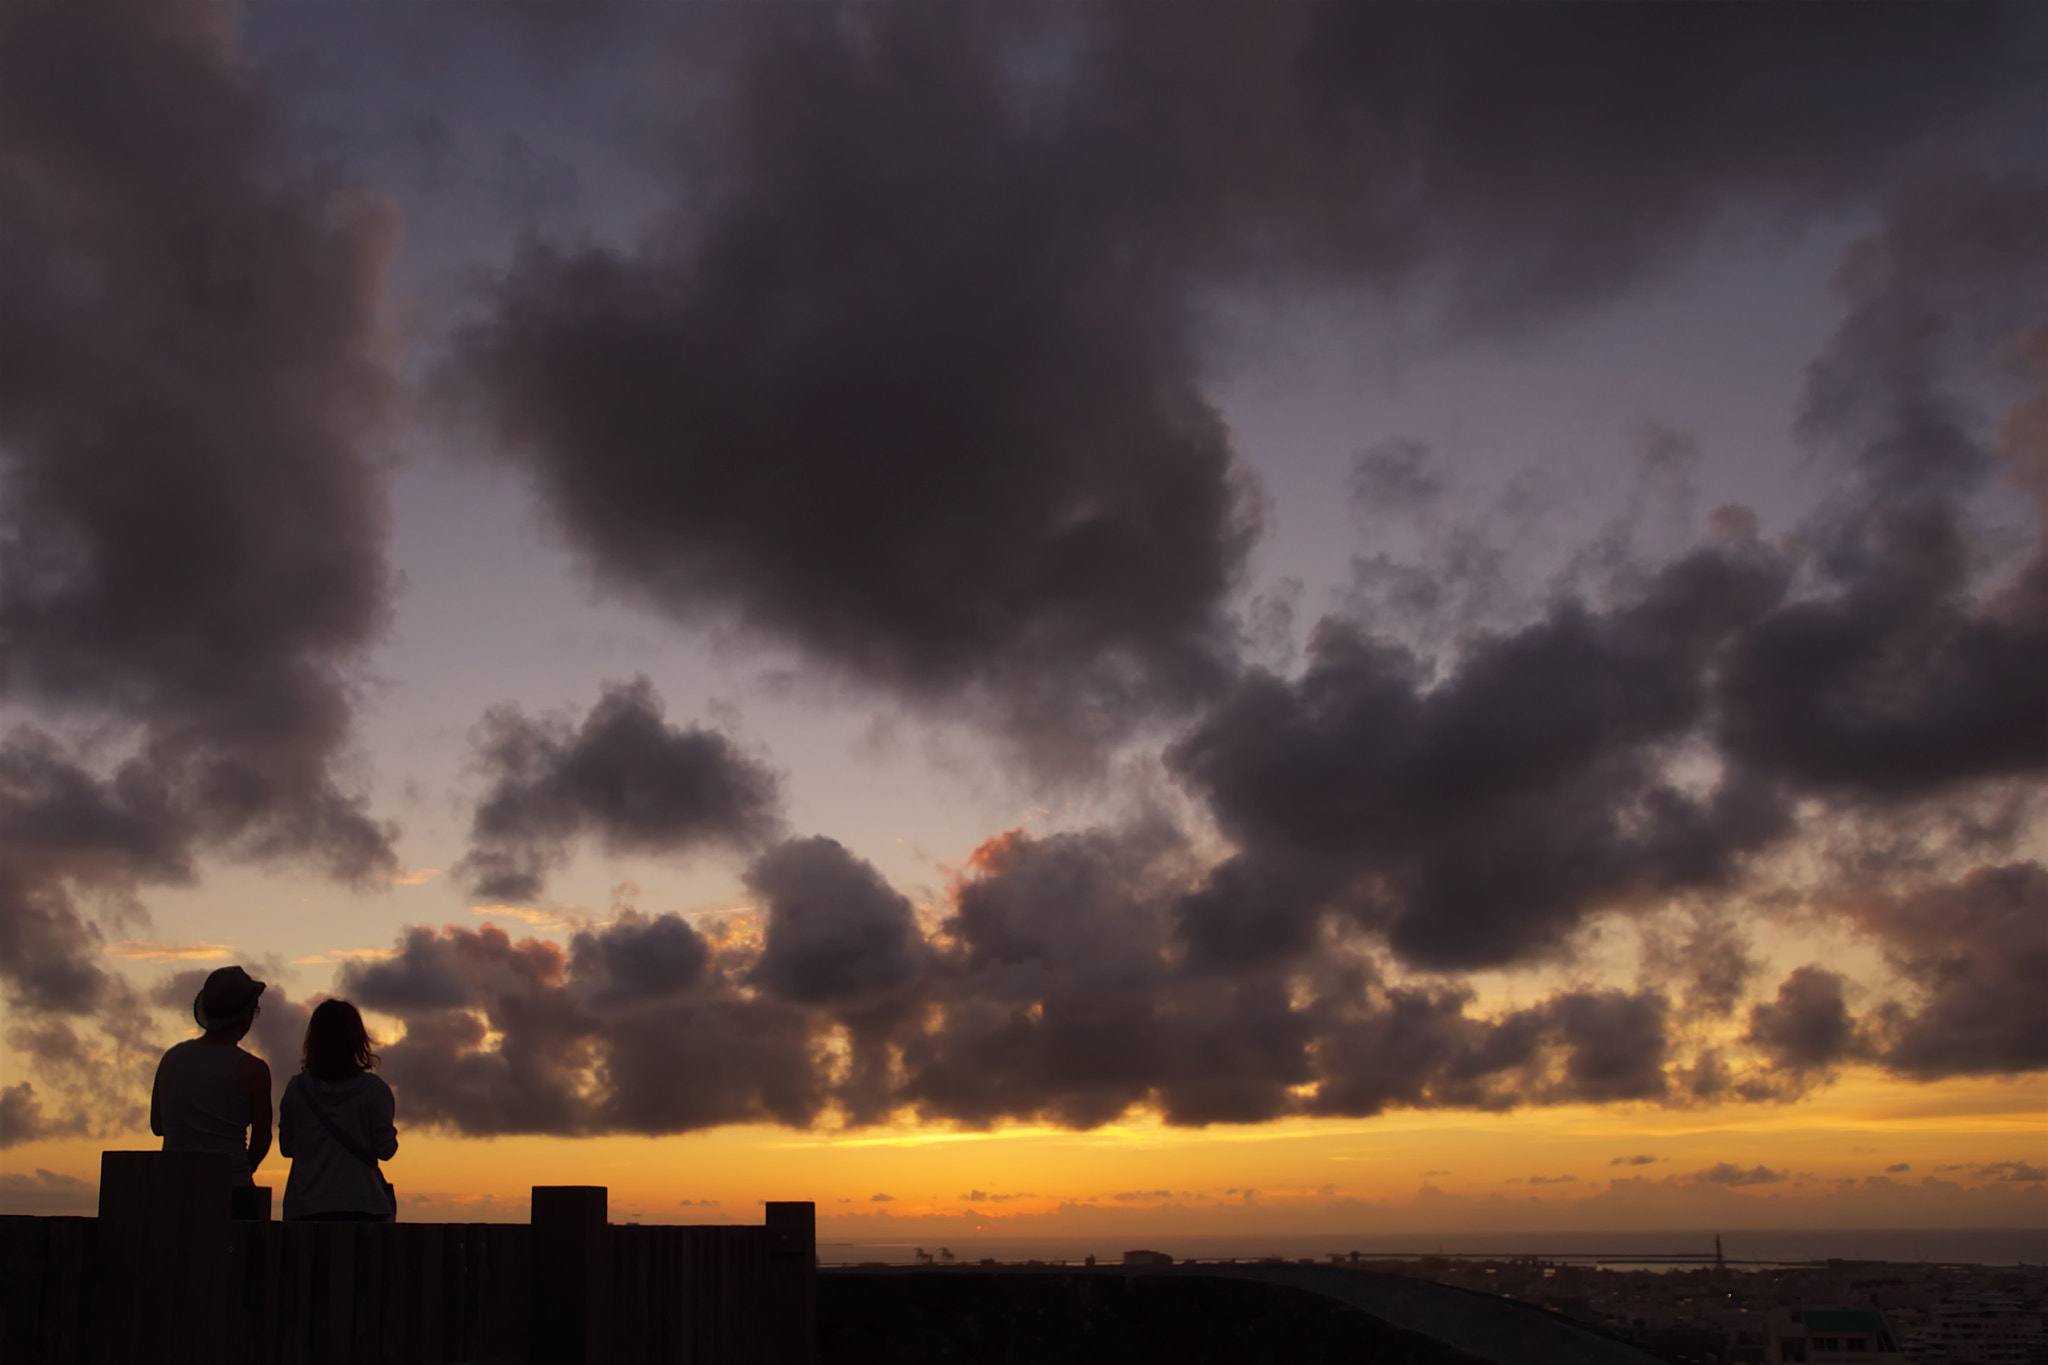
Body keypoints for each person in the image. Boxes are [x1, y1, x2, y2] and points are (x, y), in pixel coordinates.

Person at [150, 964, 273, 1197]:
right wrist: (241, 1168)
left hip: (172, 1188)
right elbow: (261, 1141)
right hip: (231, 1188)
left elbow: (158, 1126)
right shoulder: (253, 1070)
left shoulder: (171, 1059)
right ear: (247, 1016)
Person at [278, 999, 398, 1221]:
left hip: (304, 1206)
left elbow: (286, 1147)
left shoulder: (297, 1088)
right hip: (364, 1205)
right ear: (357, 1040)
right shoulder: (375, 1090)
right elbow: (386, 1150)